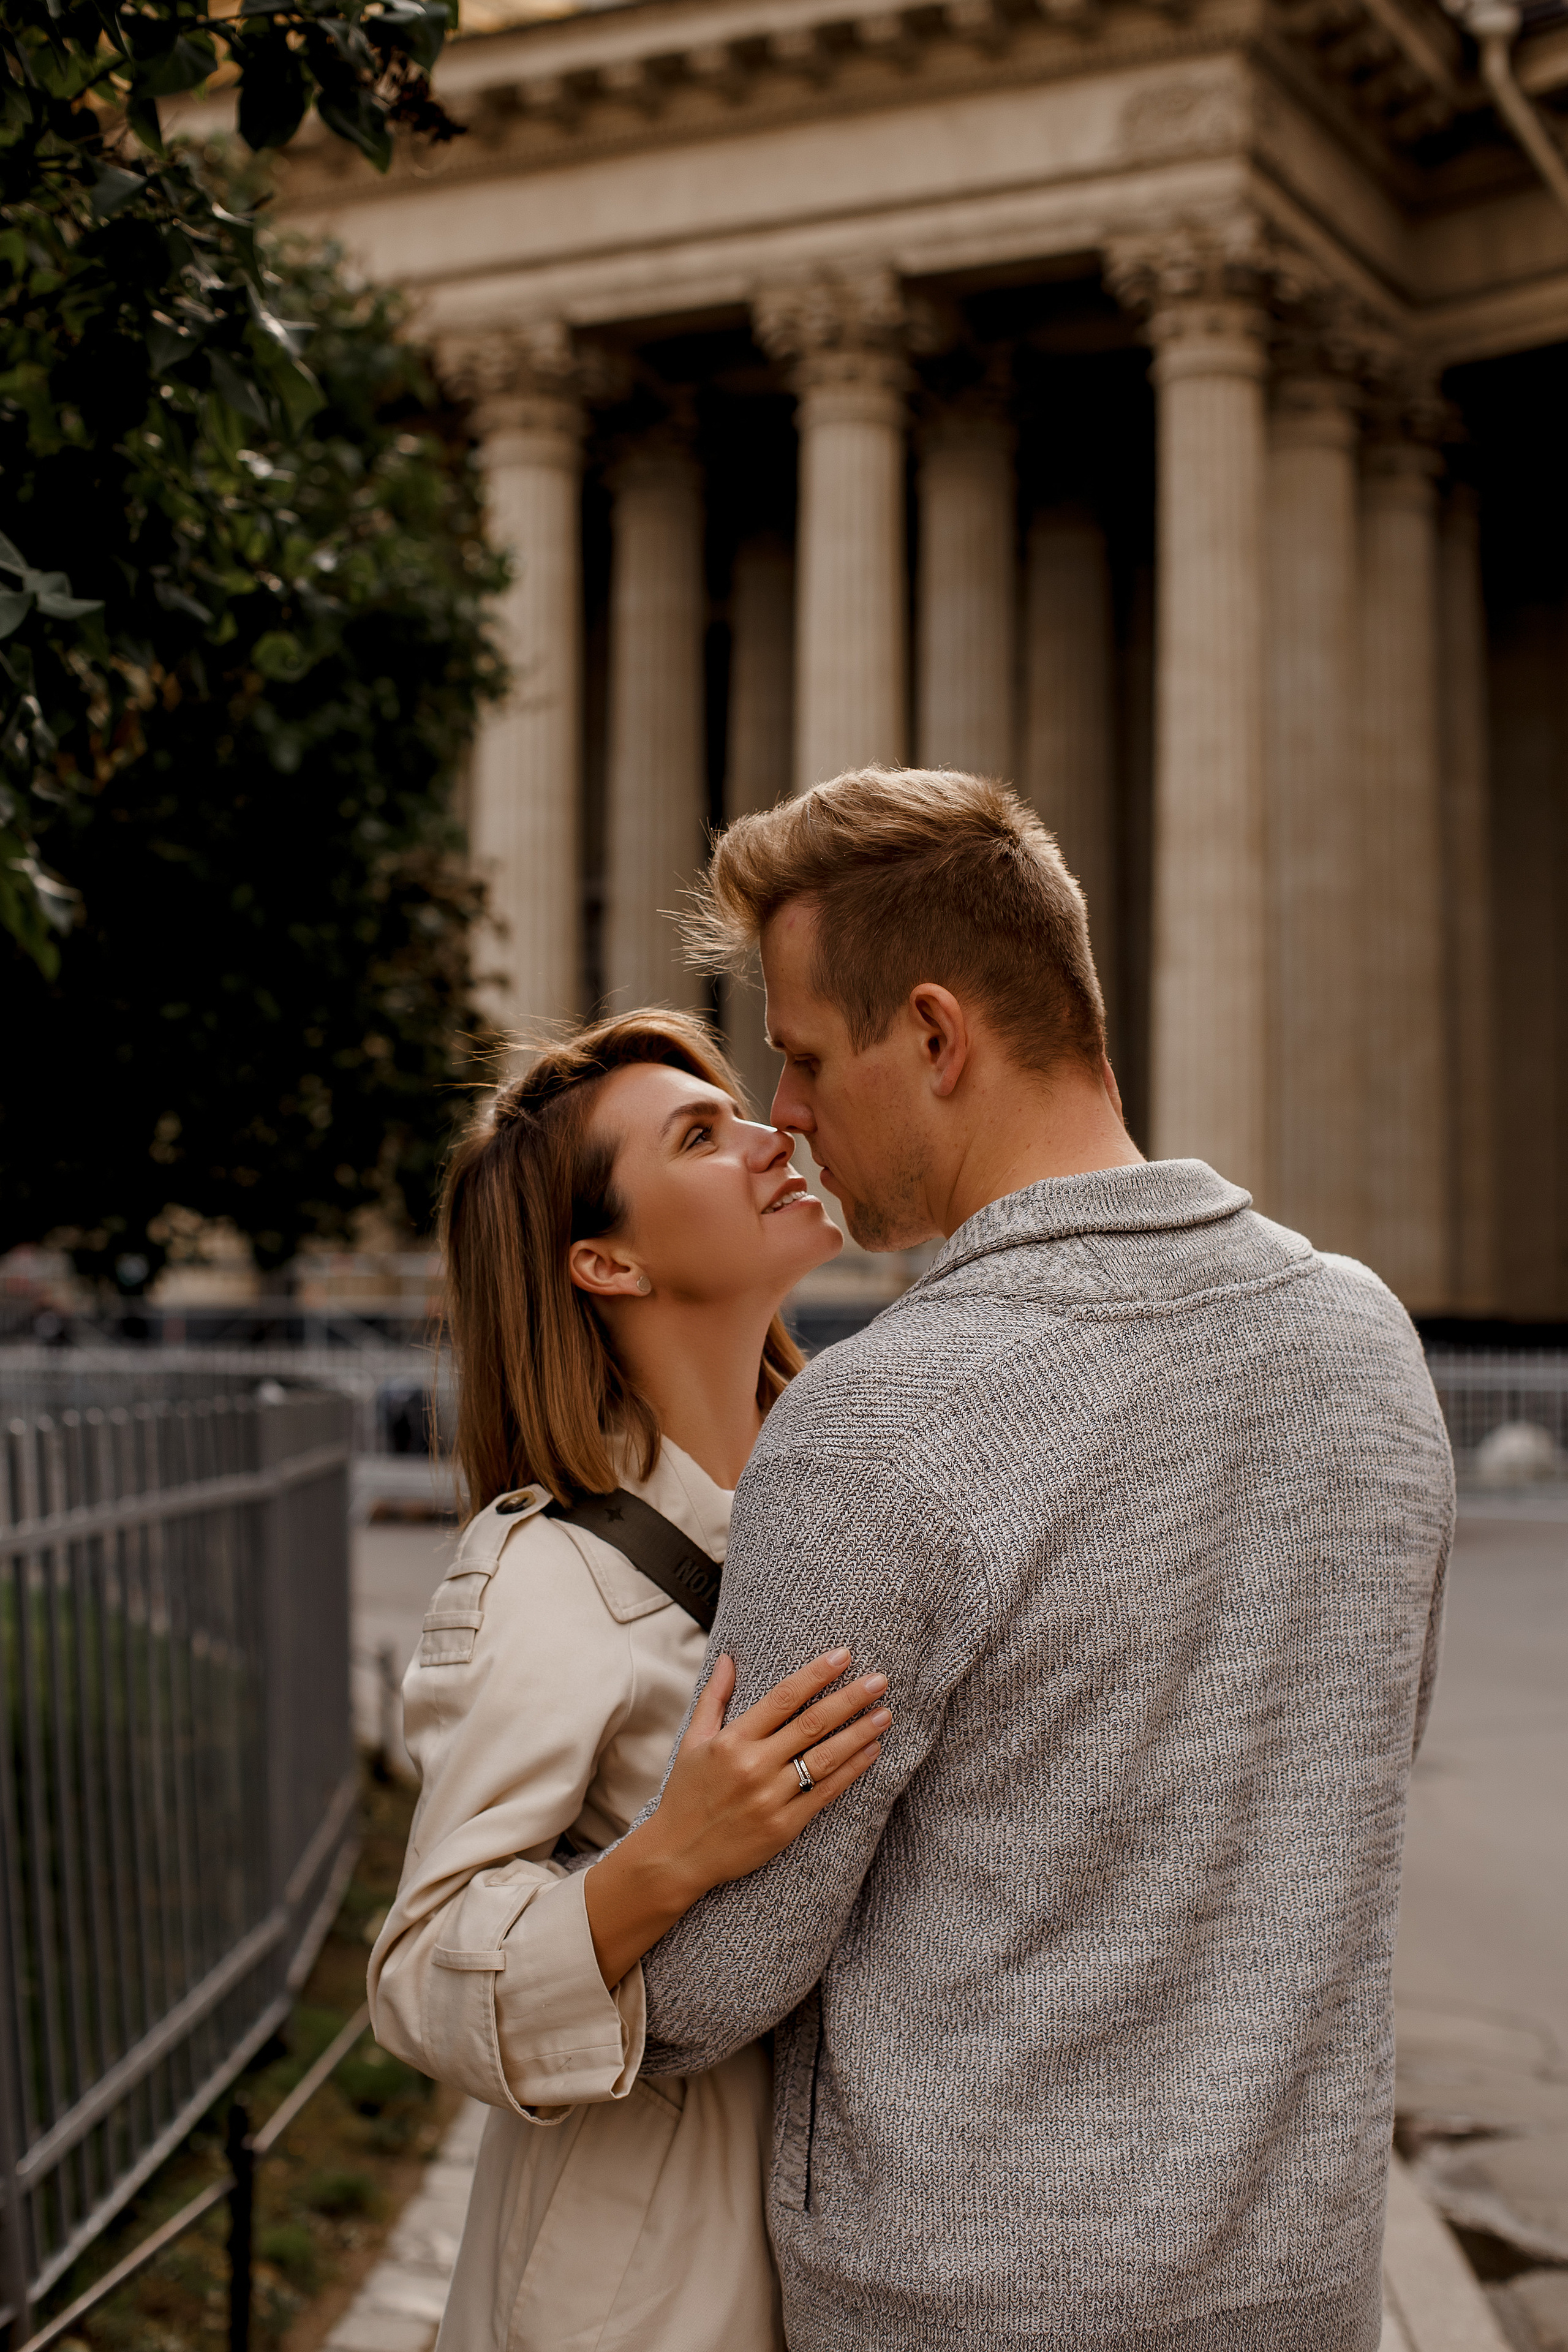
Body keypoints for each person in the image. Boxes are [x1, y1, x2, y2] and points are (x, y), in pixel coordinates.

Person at [638, 766, 1455, 2352]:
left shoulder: (879, 1420)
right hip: (1299, 2298)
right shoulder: (1367, 1350)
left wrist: (531, 1911)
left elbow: (712, 1982)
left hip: (957, 2309)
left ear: (938, 1037)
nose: (783, 1112)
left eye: (803, 1054)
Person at [367, 1011, 891, 2352]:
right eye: (701, 1137)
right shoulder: (547, 1576)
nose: (774, 1139)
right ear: (604, 1260)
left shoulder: (871, 1487)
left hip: (891, 2226)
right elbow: (421, 1971)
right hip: (645, 2275)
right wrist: (667, 1858)